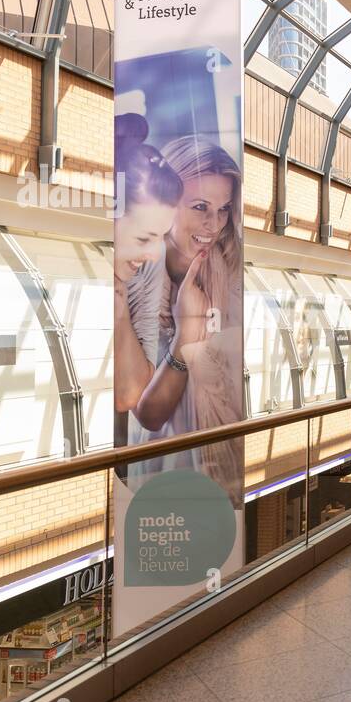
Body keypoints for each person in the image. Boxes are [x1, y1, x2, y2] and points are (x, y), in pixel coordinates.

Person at [131, 136, 245, 498]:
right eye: (200, 207)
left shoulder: (229, 274)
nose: (214, 225)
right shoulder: (136, 275)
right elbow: (148, 414)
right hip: (160, 472)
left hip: (217, 466)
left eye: (224, 209)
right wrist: (187, 336)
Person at [112, 114, 183, 419]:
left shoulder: (147, 267)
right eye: (143, 238)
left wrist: (118, 300)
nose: (155, 254)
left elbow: (130, 393)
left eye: (160, 237)